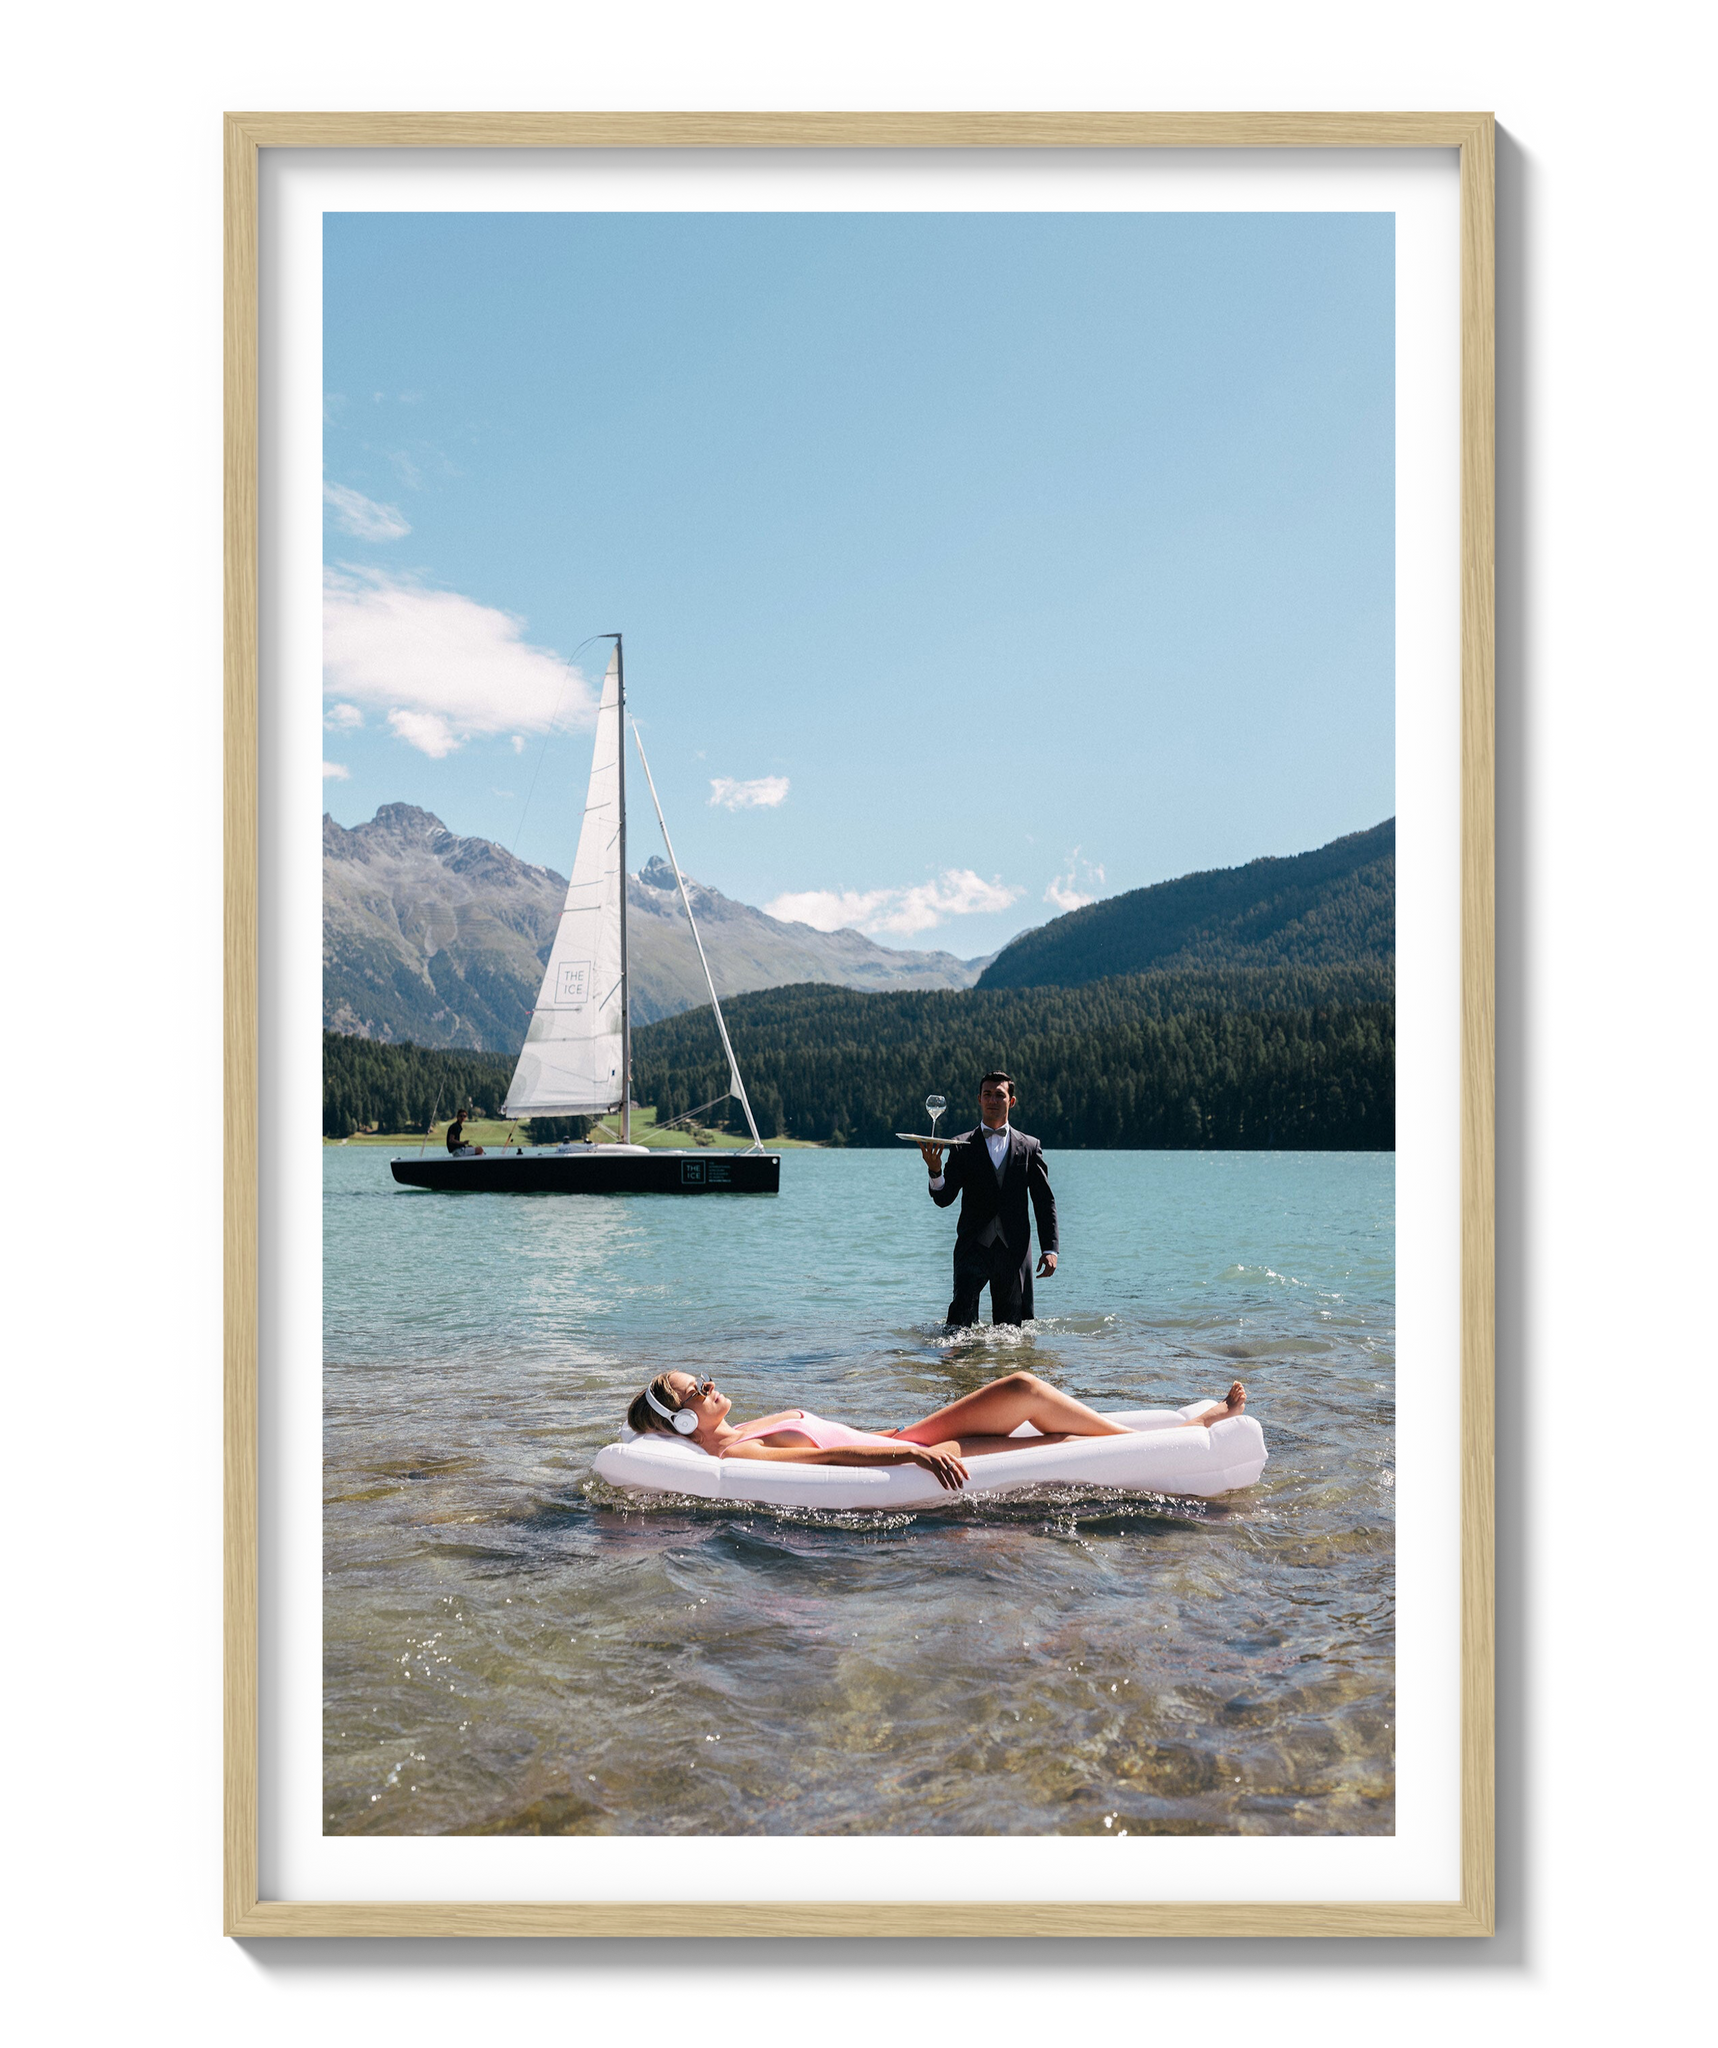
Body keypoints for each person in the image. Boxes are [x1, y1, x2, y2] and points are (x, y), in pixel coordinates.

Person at [626, 1369, 1248, 1493]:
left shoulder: (741, 1426)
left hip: (907, 1435)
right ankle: (1191, 1429)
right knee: (1029, 1402)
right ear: (682, 1420)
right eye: (694, 1391)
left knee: (1028, 1397)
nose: (709, 1384)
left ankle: (1184, 1424)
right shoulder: (740, 1450)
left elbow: (830, 1433)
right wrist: (915, 1459)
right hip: (911, 1453)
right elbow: (827, 1461)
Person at [918, 1070, 1056, 1327]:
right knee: (958, 1328)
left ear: (1011, 1101)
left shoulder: (1029, 1146)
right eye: (987, 1095)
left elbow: (1044, 1201)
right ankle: (960, 1368)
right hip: (972, 1248)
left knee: (1012, 1332)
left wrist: (1050, 1249)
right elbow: (944, 1198)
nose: (993, 1100)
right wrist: (935, 1170)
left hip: (1013, 1249)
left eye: (999, 1095)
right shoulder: (960, 1145)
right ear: (979, 1099)